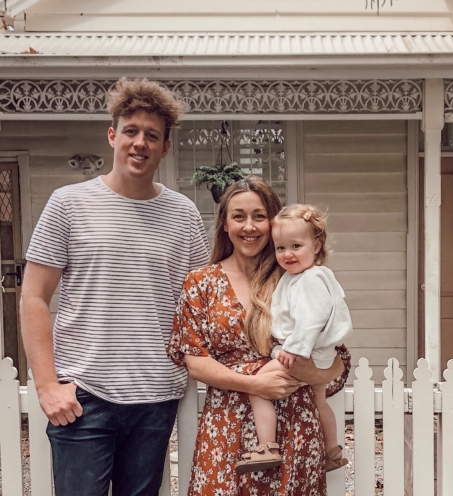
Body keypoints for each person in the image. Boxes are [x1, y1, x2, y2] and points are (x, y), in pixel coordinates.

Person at [20, 78, 210, 496]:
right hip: (83, 398)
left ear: (165, 147)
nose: (140, 143)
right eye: (131, 131)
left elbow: (204, 303)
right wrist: (48, 385)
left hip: (156, 400)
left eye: (152, 135)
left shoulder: (183, 214)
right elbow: (33, 297)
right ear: (113, 135)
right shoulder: (68, 203)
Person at [168, 176, 351, 496]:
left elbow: (337, 358)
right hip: (226, 429)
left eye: (259, 216)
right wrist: (254, 384)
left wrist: (313, 372)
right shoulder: (201, 282)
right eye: (239, 216)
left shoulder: (297, 278)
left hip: (294, 428)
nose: (249, 226)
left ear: (273, 223)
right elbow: (193, 361)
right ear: (225, 224)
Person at [236, 204, 351, 474]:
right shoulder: (298, 276)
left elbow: (313, 317)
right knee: (319, 400)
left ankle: (267, 446)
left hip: (303, 352)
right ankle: (332, 451)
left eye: (296, 246)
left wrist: (294, 348)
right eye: (280, 248)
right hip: (317, 353)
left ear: (317, 245)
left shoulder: (311, 278)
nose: (288, 254)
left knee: (257, 386)